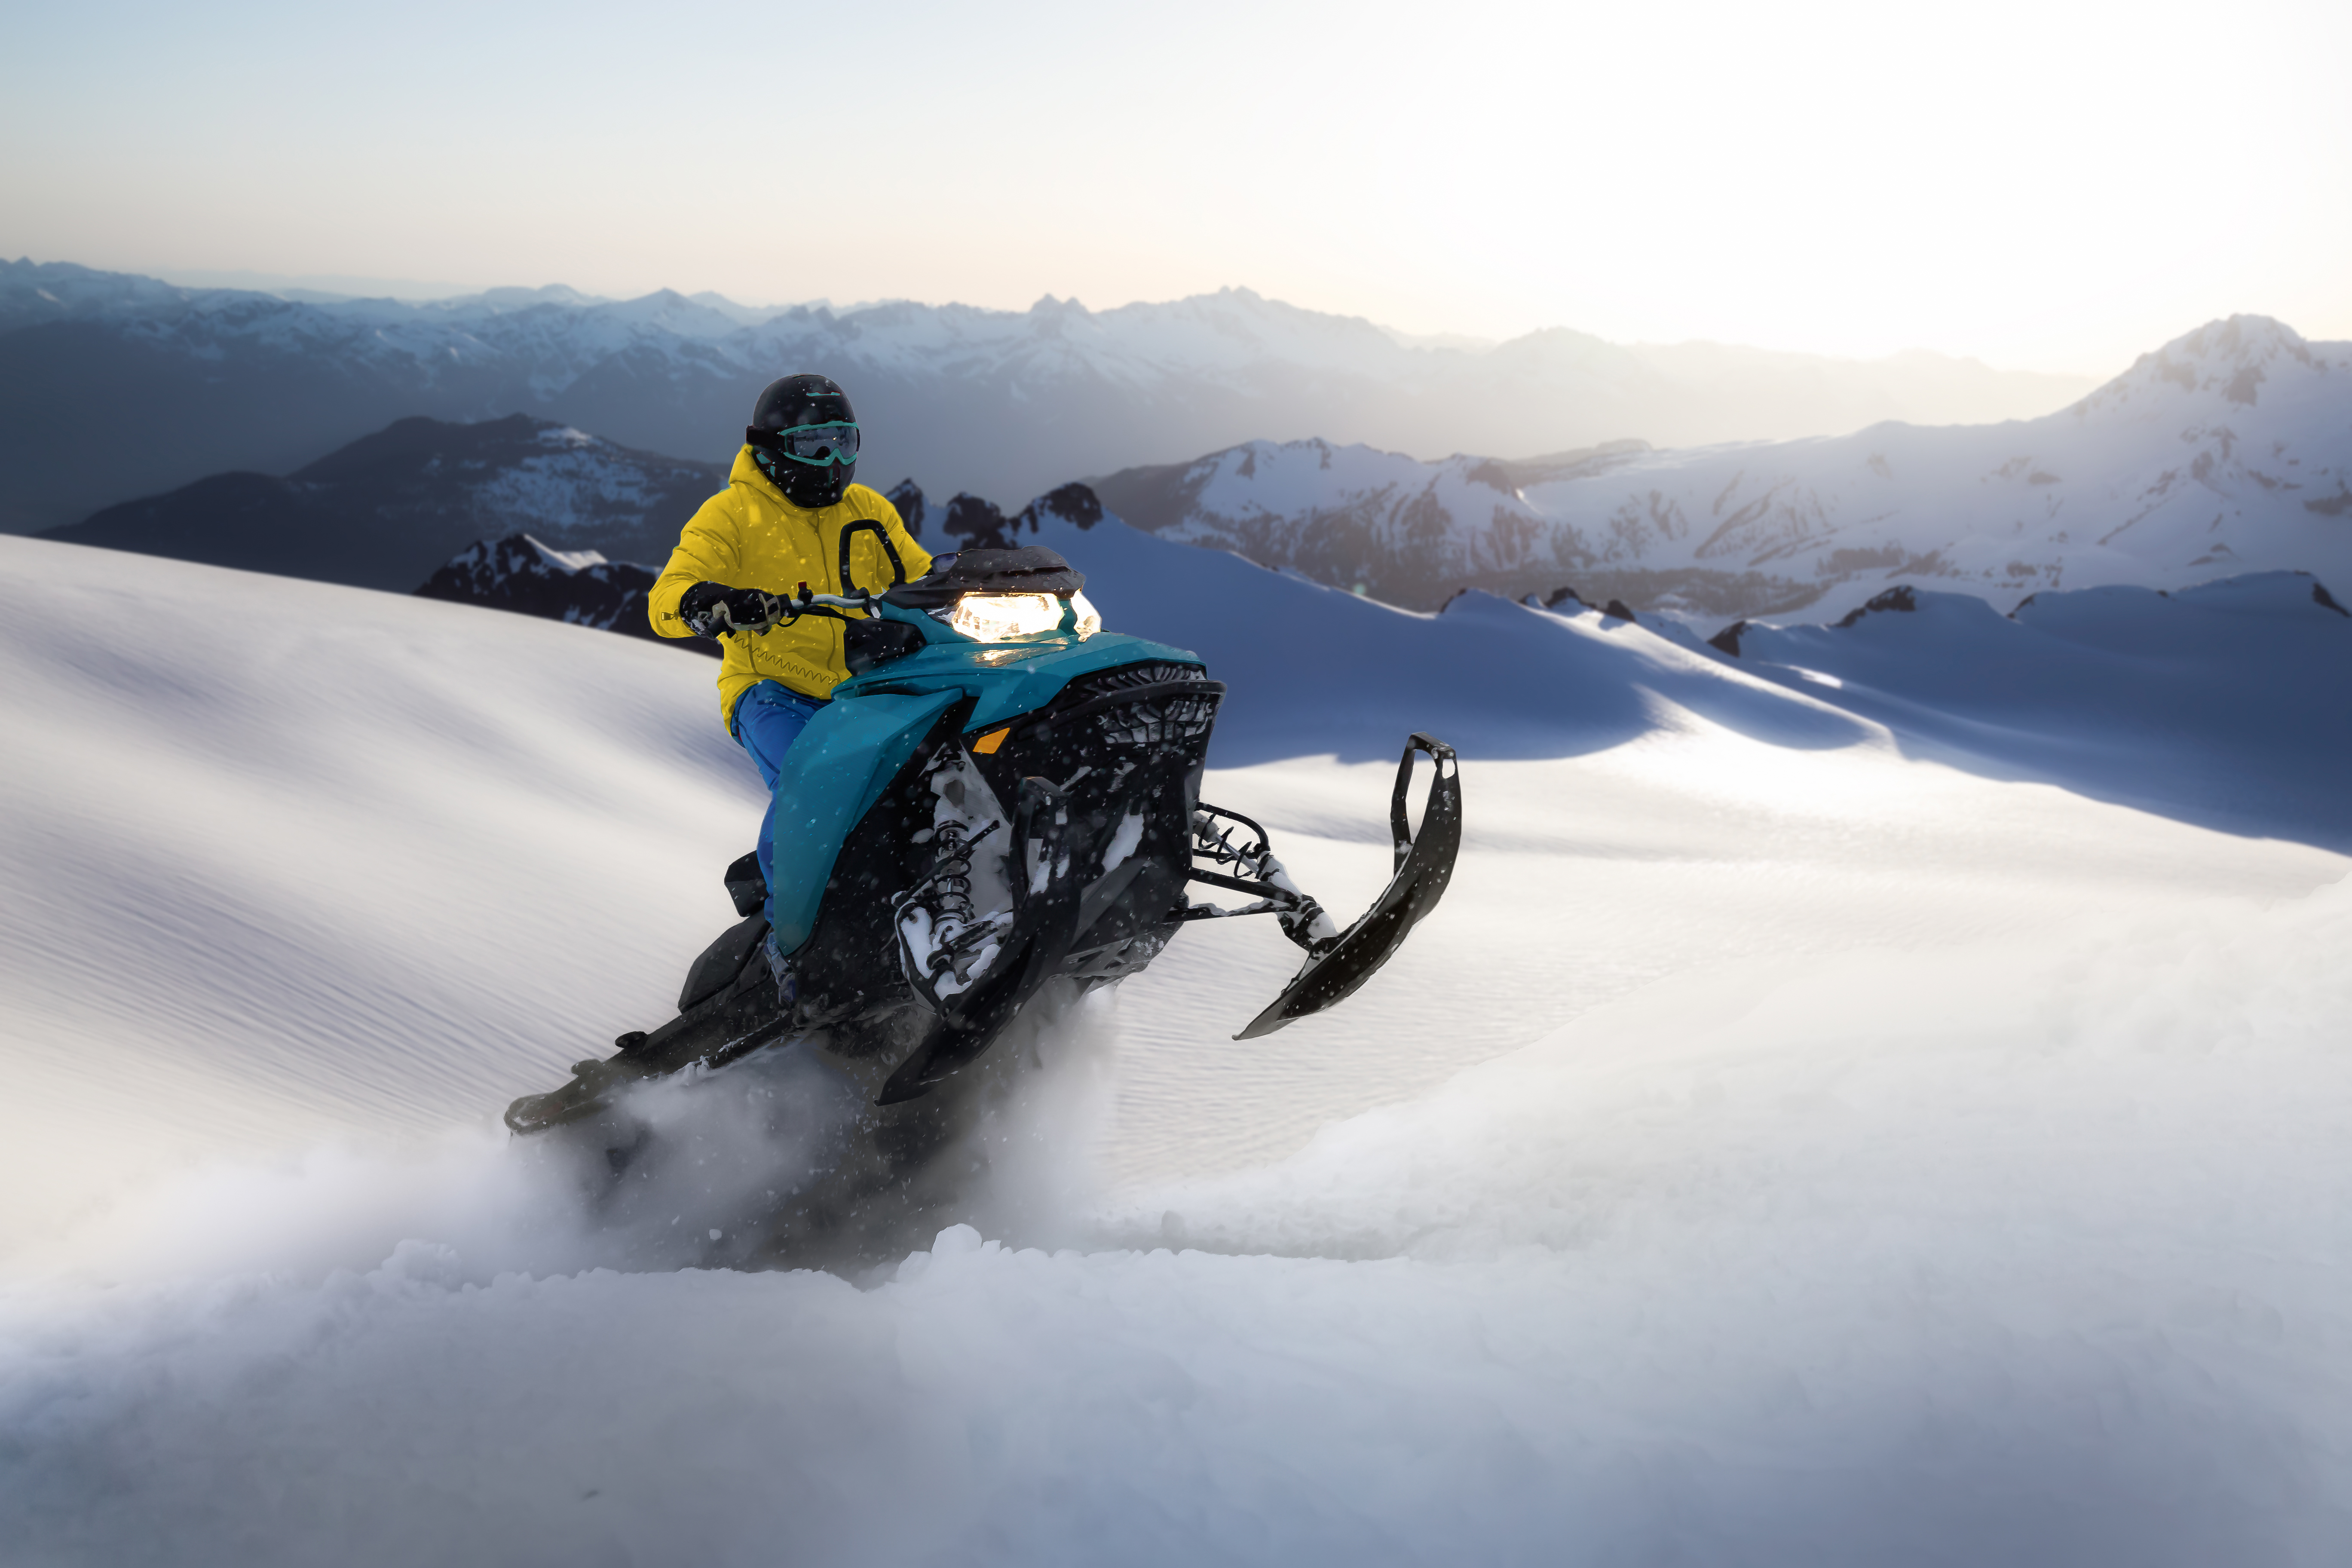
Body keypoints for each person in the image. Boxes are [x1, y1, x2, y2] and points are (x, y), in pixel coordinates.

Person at [649, 374, 931, 952]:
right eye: (812, 445)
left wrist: (962, 595)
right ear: (771, 448)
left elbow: (925, 581)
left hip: (866, 693)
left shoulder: (870, 511)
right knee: (813, 782)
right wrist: (707, 601)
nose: (831, 460)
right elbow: (665, 600)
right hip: (772, 688)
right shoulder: (733, 515)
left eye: (843, 442)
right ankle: (795, 947)